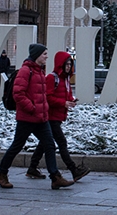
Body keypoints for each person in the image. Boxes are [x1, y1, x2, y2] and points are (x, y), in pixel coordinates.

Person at [0, 43, 73, 190]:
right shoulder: (26, 71)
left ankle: (55, 177)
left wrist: (43, 109)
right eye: (44, 54)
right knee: (16, 146)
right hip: (27, 117)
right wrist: (32, 108)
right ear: (37, 55)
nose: (47, 56)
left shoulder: (39, 71)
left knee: (49, 145)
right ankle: (1, 174)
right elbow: (18, 94)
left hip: (41, 118)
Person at [27, 51, 90, 183]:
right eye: (66, 64)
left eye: (70, 64)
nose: (68, 67)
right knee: (61, 142)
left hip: (58, 116)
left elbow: (64, 96)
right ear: (60, 64)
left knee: (44, 143)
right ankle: (74, 170)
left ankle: (32, 168)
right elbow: (47, 97)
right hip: (50, 117)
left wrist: (71, 100)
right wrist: (64, 103)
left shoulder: (65, 79)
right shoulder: (52, 78)